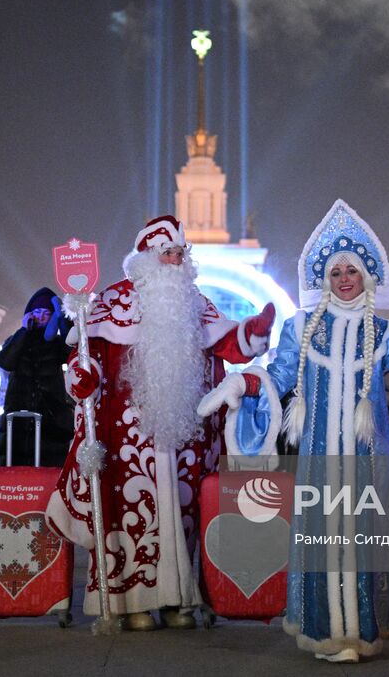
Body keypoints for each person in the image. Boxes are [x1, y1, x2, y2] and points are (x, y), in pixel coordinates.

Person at [207, 199, 389, 663]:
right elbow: (280, 377)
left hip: (369, 453)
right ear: (325, 278)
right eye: (337, 271)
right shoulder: (301, 327)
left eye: (353, 270)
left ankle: (362, 631)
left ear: (367, 276)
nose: (345, 279)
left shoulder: (384, 330)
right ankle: (325, 631)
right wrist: (240, 382)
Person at [46, 215, 275, 632]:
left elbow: (227, 342)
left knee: (186, 516)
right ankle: (132, 603)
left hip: (185, 431)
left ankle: (176, 601)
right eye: (167, 253)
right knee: (126, 516)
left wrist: (253, 333)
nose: (175, 260)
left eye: (180, 253)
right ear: (147, 259)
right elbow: (89, 359)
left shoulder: (197, 302)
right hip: (127, 437)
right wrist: (82, 378)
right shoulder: (113, 303)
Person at [0, 287, 73, 467]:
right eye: (37, 311)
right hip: (18, 415)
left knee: (50, 469)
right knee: (14, 467)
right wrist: (23, 331)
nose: (41, 316)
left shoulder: (57, 344)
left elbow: (73, 351)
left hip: (51, 417)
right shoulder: (17, 338)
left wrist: (62, 319)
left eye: (47, 313)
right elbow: (6, 361)